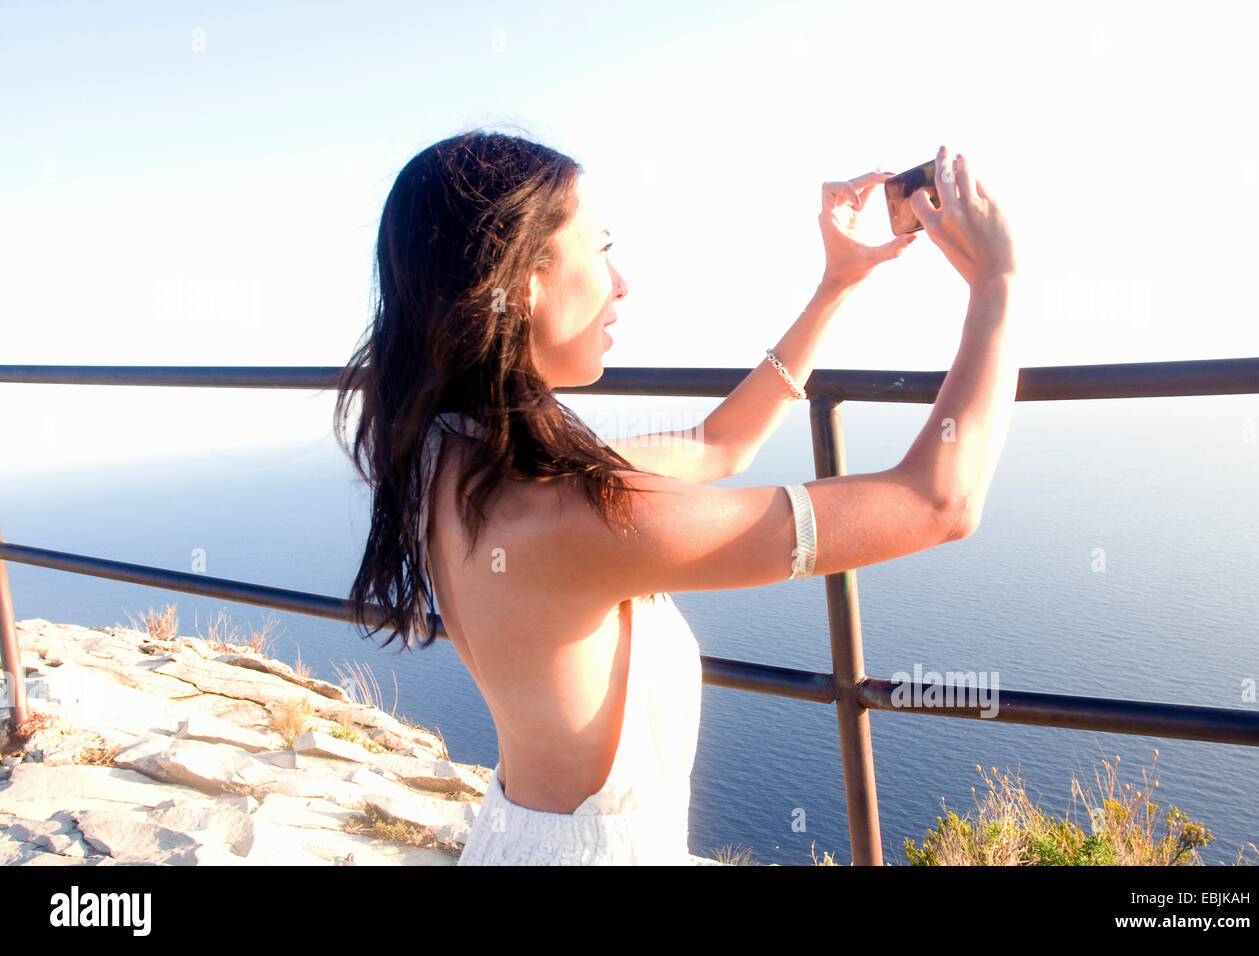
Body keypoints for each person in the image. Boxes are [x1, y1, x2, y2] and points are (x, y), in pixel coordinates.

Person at [333, 132, 1019, 865]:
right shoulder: (565, 512)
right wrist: (997, 284)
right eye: (600, 248)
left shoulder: (460, 458)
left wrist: (836, 286)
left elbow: (717, 444)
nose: (620, 282)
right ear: (522, 278)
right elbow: (940, 501)